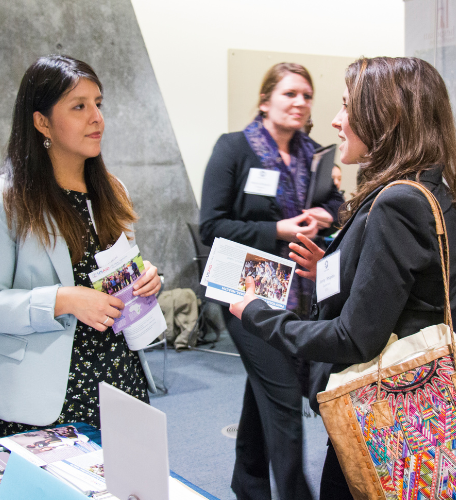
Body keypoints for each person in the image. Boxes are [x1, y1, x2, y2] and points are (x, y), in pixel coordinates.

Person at [230, 56, 456, 499]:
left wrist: (257, 313)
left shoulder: (397, 203)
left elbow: (353, 338)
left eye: (347, 107)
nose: (335, 121)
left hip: (384, 413)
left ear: (383, 117)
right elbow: (410, 289)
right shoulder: (435, 188)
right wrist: (330, 268)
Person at [0, 55, 162, 438]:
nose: (96, 117)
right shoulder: (4, 198)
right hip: (45, 396)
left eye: (98, 104)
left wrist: (146, 278)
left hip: (121, 381)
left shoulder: (113, 191)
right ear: (42, 122)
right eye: (79, 106)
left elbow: (115, 270)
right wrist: (63, 300)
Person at [200, 62, 344, 499]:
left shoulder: (315, 153)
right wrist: (279, 231)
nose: (300, 102)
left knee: (262, 389)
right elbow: (211, 226)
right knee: (283, 398)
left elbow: (336, 204)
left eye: (307, 95)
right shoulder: (233, 149)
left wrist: (328, 214)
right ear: (265, 101)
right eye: (290, 94)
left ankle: (249, 486)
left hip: (300, 292)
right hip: (244, 288)